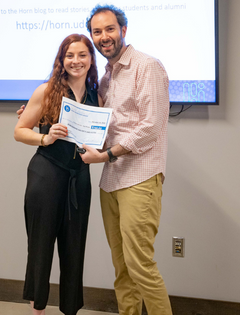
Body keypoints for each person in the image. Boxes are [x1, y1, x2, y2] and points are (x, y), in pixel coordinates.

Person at [79, 5, 173, 315]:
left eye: (109, 29)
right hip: (112, 181)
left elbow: (151, 127)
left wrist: (107, 154)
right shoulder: (106, 77)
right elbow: (96, 122)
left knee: (140, 266)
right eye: (97, 31)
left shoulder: (147, 66)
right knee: (122, 268)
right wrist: (38, 116)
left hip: (139, 178)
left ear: (123, 30)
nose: (103, 37)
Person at [13, 33, 100, 315]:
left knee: (74, 248)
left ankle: (70, 310)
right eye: (70, 55)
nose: (76, 61)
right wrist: (45, 138)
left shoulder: (95, 95)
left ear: (91, 59)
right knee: (41, 246)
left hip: (79, 178)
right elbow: (20, 131)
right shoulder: (46, 90)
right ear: (61, 60)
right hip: (46, 175)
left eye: (82, 55)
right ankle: (37, 309)